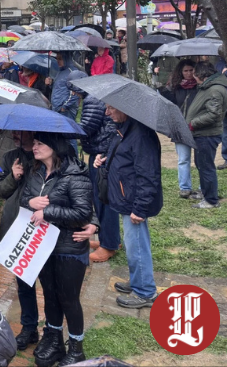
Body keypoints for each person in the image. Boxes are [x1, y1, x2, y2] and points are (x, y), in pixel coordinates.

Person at [20, 133, 93, 366]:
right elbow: (24, 198)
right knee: (49, 295)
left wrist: (48, 212)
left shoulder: (75, 174)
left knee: (68, 298)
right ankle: (54, 339)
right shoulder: (36, 172)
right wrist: (31, 203)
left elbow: (83, 213)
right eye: (34, 143)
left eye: (40, 143)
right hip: (42, 245)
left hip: (69, 246)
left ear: (55, 146)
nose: (34, 147)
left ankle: (76, 348)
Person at [95, 104, 162, 308]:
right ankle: (138, 281)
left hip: (134, 201)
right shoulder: (126, 127)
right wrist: (104, 159)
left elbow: (148, 174)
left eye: (111, 108)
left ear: (125, 108)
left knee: (137, 245)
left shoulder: (141, 134)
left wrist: (140, 208)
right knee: (134, 244)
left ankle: (145, 292)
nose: (107, 113)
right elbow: (123, 154)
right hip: (127, 199)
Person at [0, 130, 39, 351]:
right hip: (17, 225)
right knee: (24, 281)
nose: (14, 134)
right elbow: (1, 190)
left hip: (42, 227)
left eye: (20, 131)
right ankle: (29, 327)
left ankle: (53, 330)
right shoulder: (11, 157)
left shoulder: (47, 154)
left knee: (49, 282)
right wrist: (13, 176)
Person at [68, 75, 119, 263]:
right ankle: (109, 238)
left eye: (72, 90)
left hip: (102, 154)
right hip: (101, 151)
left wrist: (62, 131)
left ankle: (110, 245)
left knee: (105, 199)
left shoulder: (91, 99)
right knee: (100, 198)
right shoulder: (94, 97)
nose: (72, 94)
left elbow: (85, 127)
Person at [185, 61, 227, 209]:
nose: (193, 77)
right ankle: (205, 192)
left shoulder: (214, 90)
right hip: (202, 134)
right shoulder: (208, 87)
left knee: (206, 166)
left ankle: (211, 200)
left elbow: (213, 114)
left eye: (195, 74)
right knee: (201, 165)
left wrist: (193, 123)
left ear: (201, 75)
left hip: (207, 134)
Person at [159, 60, 198, 199]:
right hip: (180, 127)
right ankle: (185, 187)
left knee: (201, 160)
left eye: (191, 70)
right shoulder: (175, 88)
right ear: (180, 73)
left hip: (198, 126)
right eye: (185, 71)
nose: (188, 73)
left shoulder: (200, 87)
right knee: (183, 158)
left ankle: (202, 186)